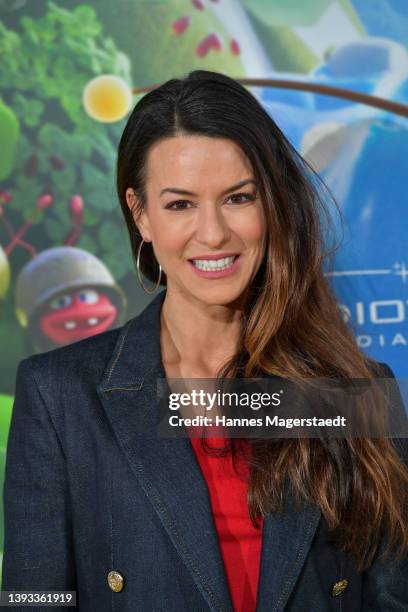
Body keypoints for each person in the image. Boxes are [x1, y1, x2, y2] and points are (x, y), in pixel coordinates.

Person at [2, 70, 408, 612]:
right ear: (140, 213)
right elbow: (34, 599)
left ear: (273, 204)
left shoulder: (354, 391)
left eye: (238, 198)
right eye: (180, 205)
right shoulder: (60, 396)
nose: (213, 234)